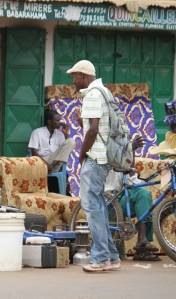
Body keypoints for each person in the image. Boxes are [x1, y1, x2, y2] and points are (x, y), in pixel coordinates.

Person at [67, 59, 121, 272]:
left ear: (84, 76)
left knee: (92, 209)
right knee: (99, 208)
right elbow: (96, 125)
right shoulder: (105, 92)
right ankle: (111, 256)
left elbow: (93, 130)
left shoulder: (92, 94)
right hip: (105, 156)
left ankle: (100, 258)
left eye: (75, 77)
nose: (74, 81)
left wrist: (82, 155)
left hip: (95, 158)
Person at [105, 169, 160, 261]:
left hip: (121, 197)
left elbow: (131, 182)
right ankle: (142, 245)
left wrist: (133, 175)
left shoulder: (122, 160)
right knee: (143, 196)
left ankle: (142, 243)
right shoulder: (99, 162)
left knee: (145, 196)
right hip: (108, 199)